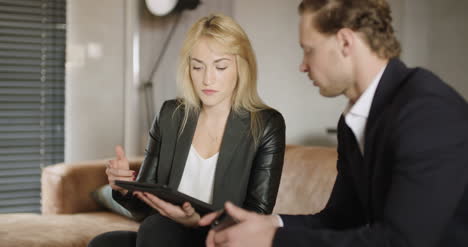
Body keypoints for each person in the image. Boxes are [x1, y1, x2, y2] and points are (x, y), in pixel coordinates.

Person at [199, 0, 468, 246]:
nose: (303, 66)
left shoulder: (428, 111)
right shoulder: (353, 121)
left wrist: (274, 240)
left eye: (309, 50)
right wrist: (270, 223)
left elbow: (400, 242)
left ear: (345, 42)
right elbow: (338, 219)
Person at [88, 13, 286, 247]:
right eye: (197, 67)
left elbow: (256, 216)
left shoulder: (266, 124)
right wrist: (122, 188)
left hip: (220, 239)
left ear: (241, 67)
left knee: (157, 228)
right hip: (163, 234)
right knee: (105, 243)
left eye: (220, 67)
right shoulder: (170, 115)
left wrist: (196, 221)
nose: (207, 79)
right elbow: (144, 206)